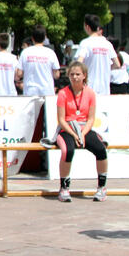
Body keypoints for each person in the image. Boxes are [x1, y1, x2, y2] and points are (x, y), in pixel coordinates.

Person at [50, 61, 108, 202]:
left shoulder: (90, 93)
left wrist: (82, 134)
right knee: (67, 151)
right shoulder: (63, 93)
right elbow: (61, 120)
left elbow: (91, 118)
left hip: (85, 128)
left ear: (84, 76)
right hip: (67, 129)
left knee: (101, 149)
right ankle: (64, 188)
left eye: (78, 74)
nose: (75, 77)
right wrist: (74, 134)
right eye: (72, 74)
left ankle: (102, 187)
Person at [75, 14, 121, 96]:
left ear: (87, 27)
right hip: (105, 90)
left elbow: (78, 63)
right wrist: (106, 67)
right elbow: (117, 64)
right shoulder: (107, 44)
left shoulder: (86, 43)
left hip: (88, 89)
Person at [16, 25, 60, 97]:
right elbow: (56, 75)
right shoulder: (50, 53)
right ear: (44, 37)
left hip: (30, 90)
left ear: (32, 38)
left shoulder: (25, 52)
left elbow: (19, 73)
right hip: (47, 91)